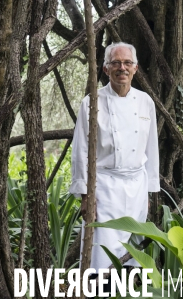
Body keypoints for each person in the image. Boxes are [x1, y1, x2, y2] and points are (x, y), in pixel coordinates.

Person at [69, 42, 160, 271]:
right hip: (105, 189)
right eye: (116, 63)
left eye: (127, 62)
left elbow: (151, 150)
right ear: (106, 68)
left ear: (136, 68)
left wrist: (148, 192)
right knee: (102, 254)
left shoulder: (145, 102)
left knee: (133, 253)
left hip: (137, 187)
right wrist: (85, 196)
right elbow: (80, 150)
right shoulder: (91, 102)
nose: (122, 68)